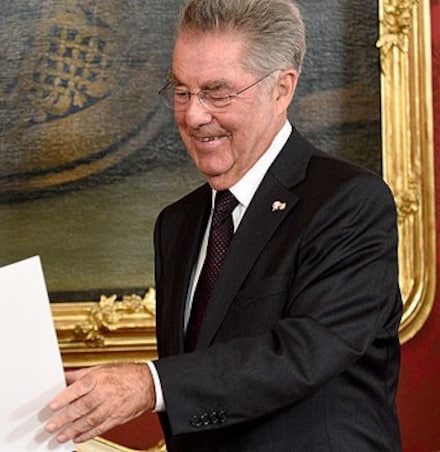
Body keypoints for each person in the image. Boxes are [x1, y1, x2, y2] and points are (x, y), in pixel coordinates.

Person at [45, 0, 403, 450]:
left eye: (218, 93)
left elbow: (299, 354)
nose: (193, 116)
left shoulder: (348, 203)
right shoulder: (177, 223)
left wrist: (148, 385)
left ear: (282, 89)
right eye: (181, 91)